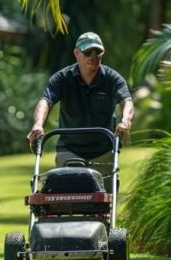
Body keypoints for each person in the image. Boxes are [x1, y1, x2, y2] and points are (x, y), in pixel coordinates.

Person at [26, 32, 134, 169]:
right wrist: (38, 124)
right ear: (77, 53)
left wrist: (125, 120)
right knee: (67, 189)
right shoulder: (62, 78)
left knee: (105, 191)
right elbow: (46, 101)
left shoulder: (113, 79)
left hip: (104, 151)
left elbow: (127, 101)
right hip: (69, 150)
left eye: (98, 52)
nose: (93, 57)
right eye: (88, 52)